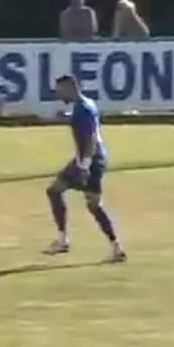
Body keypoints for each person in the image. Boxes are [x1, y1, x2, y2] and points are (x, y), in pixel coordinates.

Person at [44, 75, 126, 263]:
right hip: (94, 159)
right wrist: (64, 118)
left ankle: (64, 241)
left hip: (90, 160)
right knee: (90, 204)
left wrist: (83, 166)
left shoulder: (83, 109)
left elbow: (89, 139)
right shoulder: (86, 105)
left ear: (71, 88)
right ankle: (116, 248)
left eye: (61, 90)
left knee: (58, 192)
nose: (59, 94)